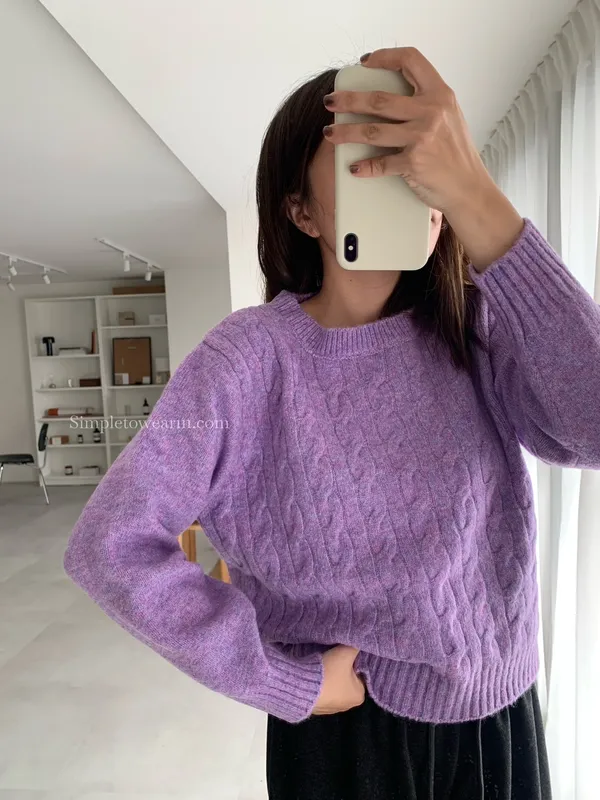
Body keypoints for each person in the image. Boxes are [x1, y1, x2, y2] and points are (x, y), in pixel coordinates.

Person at [64, 47, 600, 799]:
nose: (401, 181)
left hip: (498, 716)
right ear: (302, 210)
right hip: (346, 735)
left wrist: (478, 197)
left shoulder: (475, 327)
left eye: (411, 161)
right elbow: (111, 544)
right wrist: (282, 679)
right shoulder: (243, 363)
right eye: (366, 163)